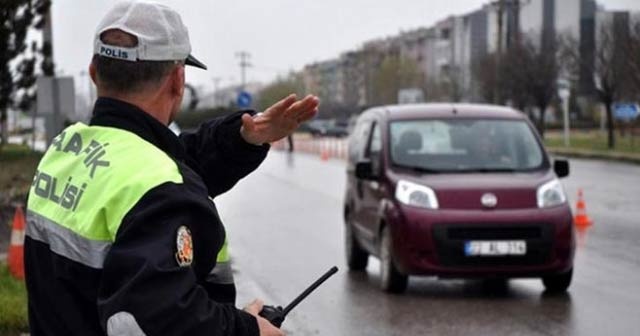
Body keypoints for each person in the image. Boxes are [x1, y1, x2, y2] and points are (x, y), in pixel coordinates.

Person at [23, 2, 318, 336]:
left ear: (93, 72)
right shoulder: (158, 186)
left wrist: (242, 138)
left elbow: (167, 166)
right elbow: (156, 320)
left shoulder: (66, 150)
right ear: (178, 80)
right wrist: (249, 330)